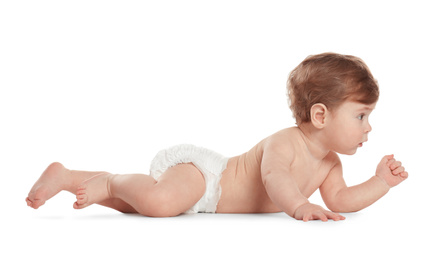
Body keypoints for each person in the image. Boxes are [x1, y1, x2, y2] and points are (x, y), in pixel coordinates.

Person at [26, 52, 408, 221]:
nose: (368, 127)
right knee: (159, 202)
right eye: (361, 115)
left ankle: (67, 177)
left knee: (143, 207)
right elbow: (276, 180)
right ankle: (107, 180)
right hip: (205, 177)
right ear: (320, 115)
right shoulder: (284, 142)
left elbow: (341, 199)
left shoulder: (329, 163)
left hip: (202, 204)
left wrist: (380, 182)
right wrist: (298, 207)